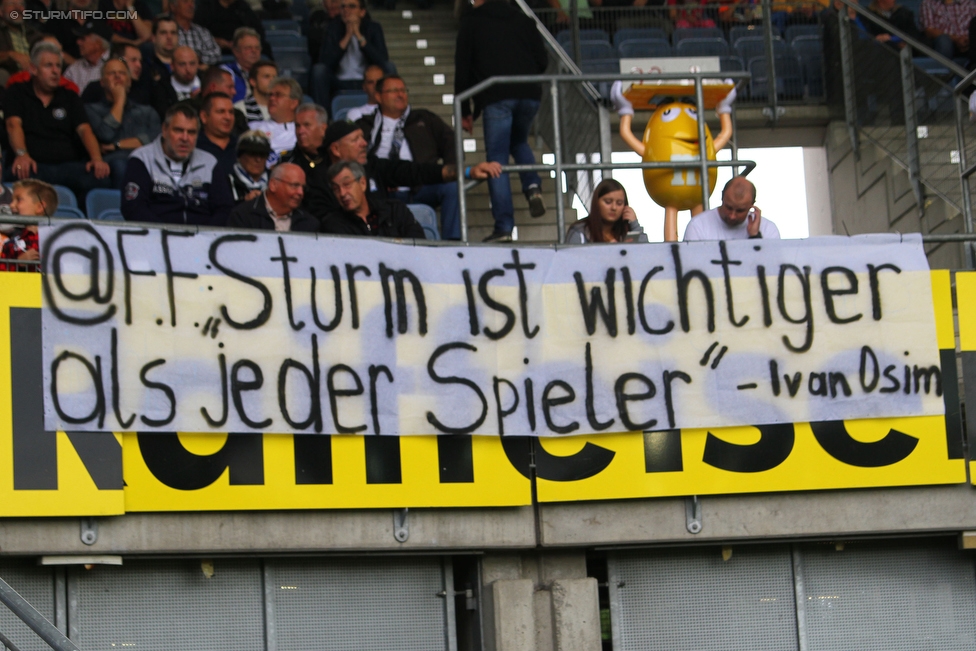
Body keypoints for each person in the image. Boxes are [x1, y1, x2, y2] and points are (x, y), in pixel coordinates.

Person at [455, 0, 548, 243]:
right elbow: (543, 60)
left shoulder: (472, 22)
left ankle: (504, 227)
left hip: (496, 96)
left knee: (496, 159)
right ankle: (533, 189)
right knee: (518, 142)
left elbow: (462, 67)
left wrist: (465, 108)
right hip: (529, 95)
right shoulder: (523, 19)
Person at [306, 119, 501, 222]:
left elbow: (416, 172)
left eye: (363, 138)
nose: (364, 143)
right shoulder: (317, 180)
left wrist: (468, 172)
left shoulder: (373, 166)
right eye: (355, 140)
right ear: (335, 149)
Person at [358, 74, 462, 240]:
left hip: (421, 186)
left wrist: (451, 168)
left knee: (452, 186)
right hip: (378, 191)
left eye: (403, 90)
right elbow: (356, 158)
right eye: (393, 91)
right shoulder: (365, 125)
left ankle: (453, 242)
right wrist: (381, 180)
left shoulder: (424, 119)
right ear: (378, 96)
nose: (400, 94)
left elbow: (452, 143)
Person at [5, 41, 110, 202]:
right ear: (33, 69)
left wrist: (96, 158)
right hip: (33, 165)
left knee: (100, 178)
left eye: (58, 66)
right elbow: (13, 125)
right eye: (48, 66)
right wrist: (22, 154)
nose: (55, 71)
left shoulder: (70, 96)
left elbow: (85, 130)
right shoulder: (17, 92)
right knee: (19, 173)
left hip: (67, 166)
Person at [121, 102, 232, 225]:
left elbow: (224, 209)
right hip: (155, 239)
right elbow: (133, 208)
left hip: (201, 240)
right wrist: (167, 236)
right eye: (178, 130)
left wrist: (203, 237)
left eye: (191, 132)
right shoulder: (142, 159)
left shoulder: (209, 162)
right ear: (164, 130)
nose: (185, 138)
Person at [85, 57, 161, 186]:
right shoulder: (91, 109)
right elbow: (106, 134)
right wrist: (119, 100)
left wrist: (117, 145)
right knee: (122, 164)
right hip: (113, 163)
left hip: (146, 160)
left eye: (122, 73)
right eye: (111, 73)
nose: (117, 76)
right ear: (102, 82)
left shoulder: (146, 111)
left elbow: (155, 139)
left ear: (129, 81)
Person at [321, 159, 425, 238]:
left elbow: (420, 246)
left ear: (363, 183)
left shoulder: (395, 210)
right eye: (336, 189)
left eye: (347, 184)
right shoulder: (333, 225)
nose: (342, 193)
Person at [314, 0, 390, 106]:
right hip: (339, 81)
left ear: (362, 12)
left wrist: (359, 36)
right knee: (319, 71)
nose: (346, 10)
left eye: (352, 6)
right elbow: (325, 62)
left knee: (390, 67)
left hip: (367, 80)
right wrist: (347, 36)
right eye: (343, 7)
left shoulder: (374, 28)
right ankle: (323, 116)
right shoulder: (332, 28)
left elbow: (382, 59)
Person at [228, 162, 318, 231]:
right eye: (294, 185)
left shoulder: (309, 223)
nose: (300, 192)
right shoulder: (242, 216)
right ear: (273, 185)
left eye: (303, 188)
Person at [682, 176, 780, 240]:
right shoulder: (698, 225)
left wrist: (755, 236)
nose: (732, 216)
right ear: (722, 197)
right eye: (728, 207)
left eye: (740, 210)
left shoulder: (768, 229)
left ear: (752, 205)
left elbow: (770, 267)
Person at [565, 179, 646, 244]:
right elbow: (572, 262)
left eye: (619, 203)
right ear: (596, 203)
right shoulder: (579, 232)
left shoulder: (626, 230)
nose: (614, 208)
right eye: (608, 202)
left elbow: (647, 254)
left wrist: (635, 225)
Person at [0, 179, 55, 272]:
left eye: (18, 200)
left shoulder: (58, 241)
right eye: (12, 200)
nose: (11, 205)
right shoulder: (9, 245)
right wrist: (18, 264)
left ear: (40, 207)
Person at [247, 76, 300, 164]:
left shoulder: (302, 131)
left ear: (293, 103)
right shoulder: (253, 128)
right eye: (270, 95)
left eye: (278, 95)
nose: (272, 98)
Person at [80, 42, 150, 105]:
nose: (139, 65)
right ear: (120, 61)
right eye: (133, 60)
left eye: (140, 61)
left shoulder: (144, 89)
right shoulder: (94, 89)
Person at [194, 0, 269, 57]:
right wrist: (216, 41)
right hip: (217, 50)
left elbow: (258, 31)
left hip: (243, 48)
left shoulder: (243, 7)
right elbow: (196, 32)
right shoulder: (207, 8)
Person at [0, 0, 42, 86]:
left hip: (34, 76)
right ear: (1, 11)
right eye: (11, 4)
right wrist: (10, 55)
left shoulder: (32, 32)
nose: (17, 8)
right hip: (10, 78)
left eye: (21, 4)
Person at [170, 0, 222, 66]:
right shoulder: (168, 32)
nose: (191, 6)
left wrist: (198, 58)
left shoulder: (202, 32)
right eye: (185, 2)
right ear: (173, 6)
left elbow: (217, 54)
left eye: (192, 2)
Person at [196, 91, 237, 167]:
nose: (228, 117)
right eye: (221, 112)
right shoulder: (194, 146)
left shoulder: (241, 147)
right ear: (204, 117)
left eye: (231, 112)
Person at [284, 102, 327, 173]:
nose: (300, 131)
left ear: (323, 128)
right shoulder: (287, 161)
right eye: (297, 126)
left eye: (307, 125)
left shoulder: (334, 157)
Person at [228, 129, 269, 203]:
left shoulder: (275, 180)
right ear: (240, 155)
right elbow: (221, 212)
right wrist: (244, 203)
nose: (258, 160)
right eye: (253, 154)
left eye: (262, 154)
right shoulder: (226, 181)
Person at [223, 27, 261, 102]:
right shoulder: (226, 72)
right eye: (248, 48)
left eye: (257, 48)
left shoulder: (267, 73)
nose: (254, 51)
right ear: (236, 51)